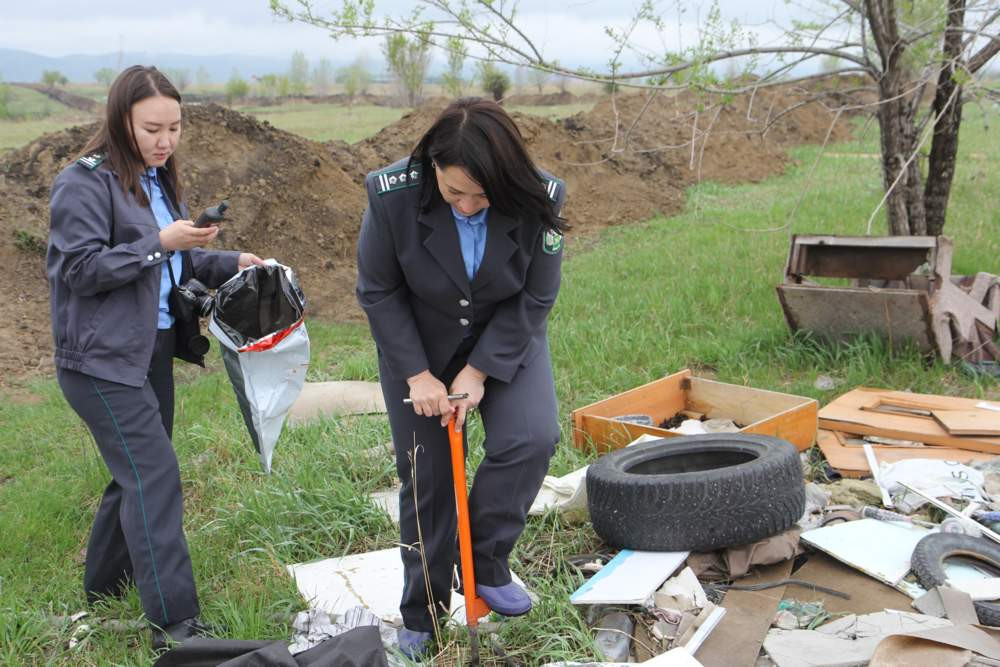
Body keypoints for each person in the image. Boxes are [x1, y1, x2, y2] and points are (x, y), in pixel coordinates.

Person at [46, 65, 264, 649]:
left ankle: (103, 589)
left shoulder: (156, 178)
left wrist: (231, 259)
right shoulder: (83, 183)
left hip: (150, 352)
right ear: (120, 120)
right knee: (155, 475)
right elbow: (79, 270)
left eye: (174, 127)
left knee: (136, 474)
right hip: (99, 362)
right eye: (152, 128)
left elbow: (174, 266)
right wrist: (158, 242)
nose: (165, 141)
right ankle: (177, 626)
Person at [356, 97, 569, 659]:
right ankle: (422, 611)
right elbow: (378, 290)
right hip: (419, 348)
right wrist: (419, 376)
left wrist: (478, 371)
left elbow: (538, 295)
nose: (470, 205)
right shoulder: (392, 195)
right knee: (426, 478)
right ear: (433, 172)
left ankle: (484, 559)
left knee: (531, 439)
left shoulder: (537, 194)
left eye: (482, 195)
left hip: (503, 339)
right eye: (455, 193)